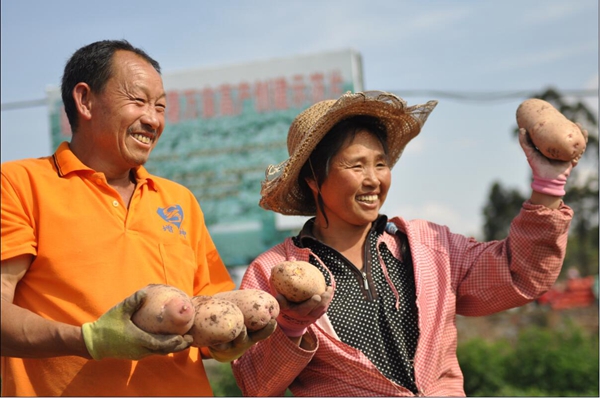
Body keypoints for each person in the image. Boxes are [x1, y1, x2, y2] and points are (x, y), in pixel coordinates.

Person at [230, 90, 587, 396]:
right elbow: (255, 385)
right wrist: (291, 328)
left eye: (381, 164)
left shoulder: (430, 247)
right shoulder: (272, 274)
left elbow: (519, 272)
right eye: (356, 166)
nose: (373, 180)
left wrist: (548, 189)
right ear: (312, 178)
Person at [0, 39, 275, 397]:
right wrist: (88, 340)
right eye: (138, 101)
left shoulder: (179, 200)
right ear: (85, 100)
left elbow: (209, 321)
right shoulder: (18, 184)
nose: (153, 119)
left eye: (160, 106)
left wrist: (237, 337)